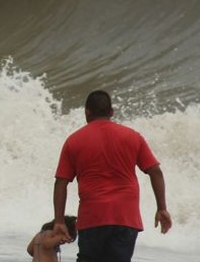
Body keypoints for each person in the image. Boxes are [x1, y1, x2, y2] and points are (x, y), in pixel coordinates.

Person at [52, 90, 172, 262]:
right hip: (126, 217)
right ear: (111, 112)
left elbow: (61, 183)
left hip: (93, 217)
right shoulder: (133, 137)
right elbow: (155, 172)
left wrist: (59, 221)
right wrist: (162, 208)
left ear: (87, 112)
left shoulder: (74, 141)